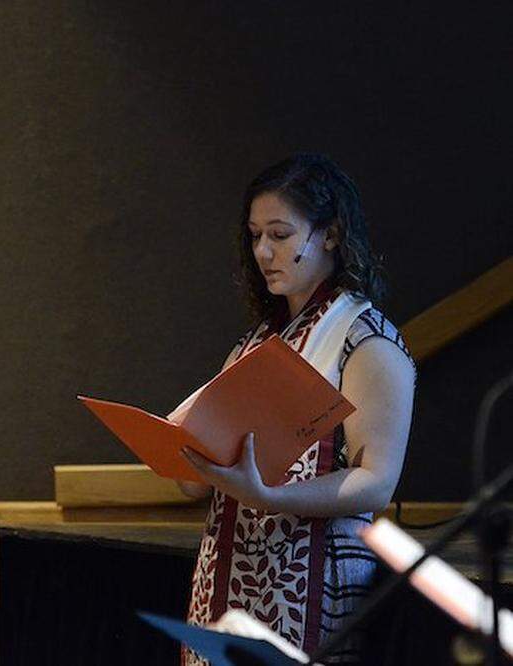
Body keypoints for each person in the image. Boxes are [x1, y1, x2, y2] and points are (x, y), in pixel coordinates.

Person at [178, 154, 415, 664]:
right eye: (255, 235)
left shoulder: (367, 339)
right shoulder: (255, 344)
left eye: (280, 235)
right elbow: (198, 480)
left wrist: (268, 494)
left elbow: (376, 481)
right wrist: (180, 453)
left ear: (329, 235)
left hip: (312, 580)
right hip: (229, 577)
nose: (263, 251)